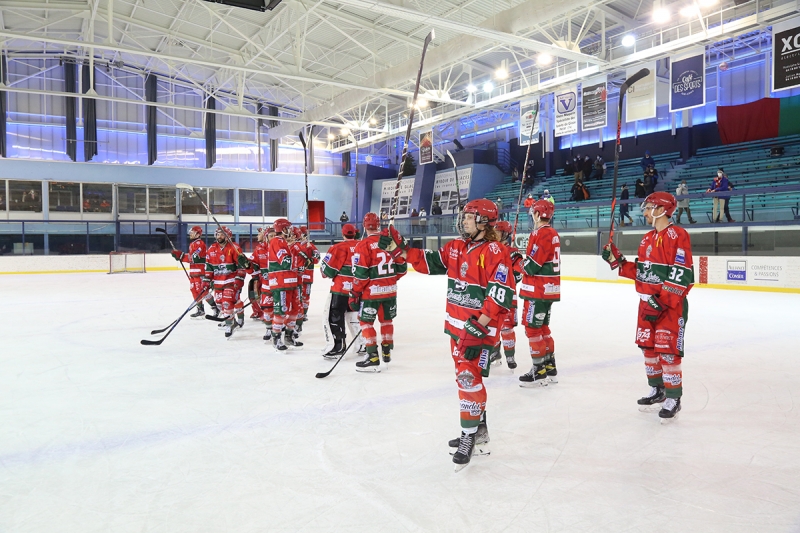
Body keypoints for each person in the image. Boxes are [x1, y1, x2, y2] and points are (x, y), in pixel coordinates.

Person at [378, 199, 514, 471]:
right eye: (463, 217)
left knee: (468, 381)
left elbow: (501, 293)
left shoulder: (495, 251)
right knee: (467, 380)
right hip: (456, 328)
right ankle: (479, 431)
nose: (463, 221)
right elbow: (428, 262)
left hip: (478, 330)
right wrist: (399, 248)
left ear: (484, 221)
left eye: (469, 217)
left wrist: (481, 325)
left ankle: (468, 437)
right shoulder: (456, 247)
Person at [602, 192, 693, 421]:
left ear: (661, 209)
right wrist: (618, 261)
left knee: (668, 352)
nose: (644, 212)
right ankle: (657, 389)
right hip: (646, 306)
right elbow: (643, 272)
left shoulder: (678, 235)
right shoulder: (647, 238)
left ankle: (674, 397)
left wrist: (661, 302)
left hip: (668, 307)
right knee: (648, 350)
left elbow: (682, 274)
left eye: (648, 207)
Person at [350, 212, 407, 372]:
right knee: (387, 321)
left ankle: (372, 356)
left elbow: (360, 274)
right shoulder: (389, 242)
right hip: (390, 291)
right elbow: (402, 268)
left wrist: (354, 293)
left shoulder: (363, 245)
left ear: (364, 226)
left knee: (366, 323)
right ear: (378, 225)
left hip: (371, 293)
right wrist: (389, 281)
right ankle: (387, 352)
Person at [519, 200, 560, 387]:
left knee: (532, 329)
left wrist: (516, 262)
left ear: (537, 214)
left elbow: (533, 265)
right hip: (548, 289)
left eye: (533, 212)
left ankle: (539, 371)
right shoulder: (552, 233)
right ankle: (549, 367)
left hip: (537, 290)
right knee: (543, 329)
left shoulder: (541, 233)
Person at [320, 223, 361, 357]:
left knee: (333, 317)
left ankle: (337, 346)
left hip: (341, 290)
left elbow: (328, 271)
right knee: (354, 318)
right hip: (357, 289)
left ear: (342, 234)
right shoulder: (363, 246)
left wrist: (323, 270)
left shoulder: (338, 247)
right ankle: (362, 344)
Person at [205, 226, 250, 338]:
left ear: (228, 236)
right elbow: (209, 267)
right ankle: (234, 318)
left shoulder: (234, 248)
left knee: (227, 302)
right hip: (218, 282)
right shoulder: (211, 249)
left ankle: (230, 324)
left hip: (231, 280)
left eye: (222, 234)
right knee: (221, 303)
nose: (219, 236)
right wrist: (206, 280)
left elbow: (241, 266)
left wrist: (239, 279)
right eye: (218, 234)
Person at [268, 218, 302, 350]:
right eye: (288, 228)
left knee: (294, 309)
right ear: (283, 229)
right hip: (280, 282)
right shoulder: (277, 242)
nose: (290, 230)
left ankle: (289, 336)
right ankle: (276, 338)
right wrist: (297, 255)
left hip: (291, 282)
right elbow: (286, 262)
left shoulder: (283, 243)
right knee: (281, 311)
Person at [491, 221, 521, 370]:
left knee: (507, 328)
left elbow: (519, 273)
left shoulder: (514, 252)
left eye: (498, 231)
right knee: (493, 326)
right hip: (491, 295)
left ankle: (510, 355)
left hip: (508, 296)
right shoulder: (490, 249)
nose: (495, 234)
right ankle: (495, 352)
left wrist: (510, 277)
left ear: (505, 234)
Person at [171, 225, 209, 318]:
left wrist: (181, 256)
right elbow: (191, 257)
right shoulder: (192, 244)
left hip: (200, 271)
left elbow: (195, 258)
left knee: (202, 291)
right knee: (194, 291)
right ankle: (200, 309)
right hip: (193, 272)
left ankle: (215, 307)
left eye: (192, 233)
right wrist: (180, 256)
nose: (190, 234)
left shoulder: (200, 243)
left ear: (198, 234)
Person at [299, 226, 320, 323]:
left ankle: (304, 313)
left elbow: (317, 258)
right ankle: (298, 312)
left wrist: (310, 257)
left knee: (305, 295)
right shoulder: (294, 245)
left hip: (307, 275)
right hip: (297, 276)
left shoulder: (310, 246)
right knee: (297, 295)